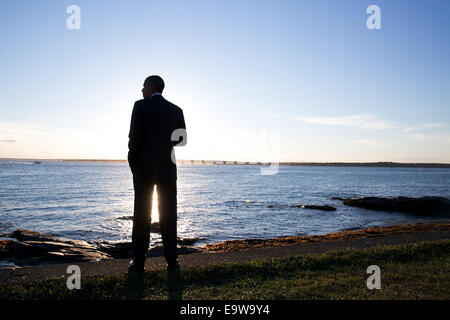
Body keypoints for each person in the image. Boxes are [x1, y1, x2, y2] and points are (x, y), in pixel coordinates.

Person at [127, 75, 186, 274]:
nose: (141, 90)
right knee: (169, 215)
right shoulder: (176, 110)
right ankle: (172, 262)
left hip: (144, 169)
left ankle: (139, 263)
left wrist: (133, 162)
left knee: (142, 214)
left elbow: (134, 138)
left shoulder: (140, 106)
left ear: (151, 86)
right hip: (167, 169)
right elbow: (181, 140)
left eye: (143, 86)